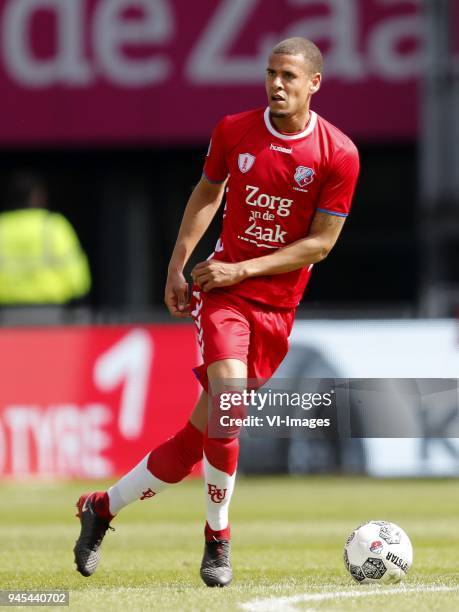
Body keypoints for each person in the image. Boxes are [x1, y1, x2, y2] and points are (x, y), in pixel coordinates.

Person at [73, 37, 360, 587]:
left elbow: (320, 244)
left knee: (191, 446)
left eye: (289, 77)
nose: (277, 84)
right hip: (222, 292)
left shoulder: (338, 153)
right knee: (229, 410)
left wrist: (246, 271)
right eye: (271, 73)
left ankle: (101, 509)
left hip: (276, 306)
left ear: (314, 85)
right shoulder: (234, 129)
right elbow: (207, 193)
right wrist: (177, 267)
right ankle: (218, 542)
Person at [0, 171, 91, 305]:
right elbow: (78, 280)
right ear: (36, 196)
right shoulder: (53, 225)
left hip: (4, 315)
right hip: (52, 315)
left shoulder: (2, 226)